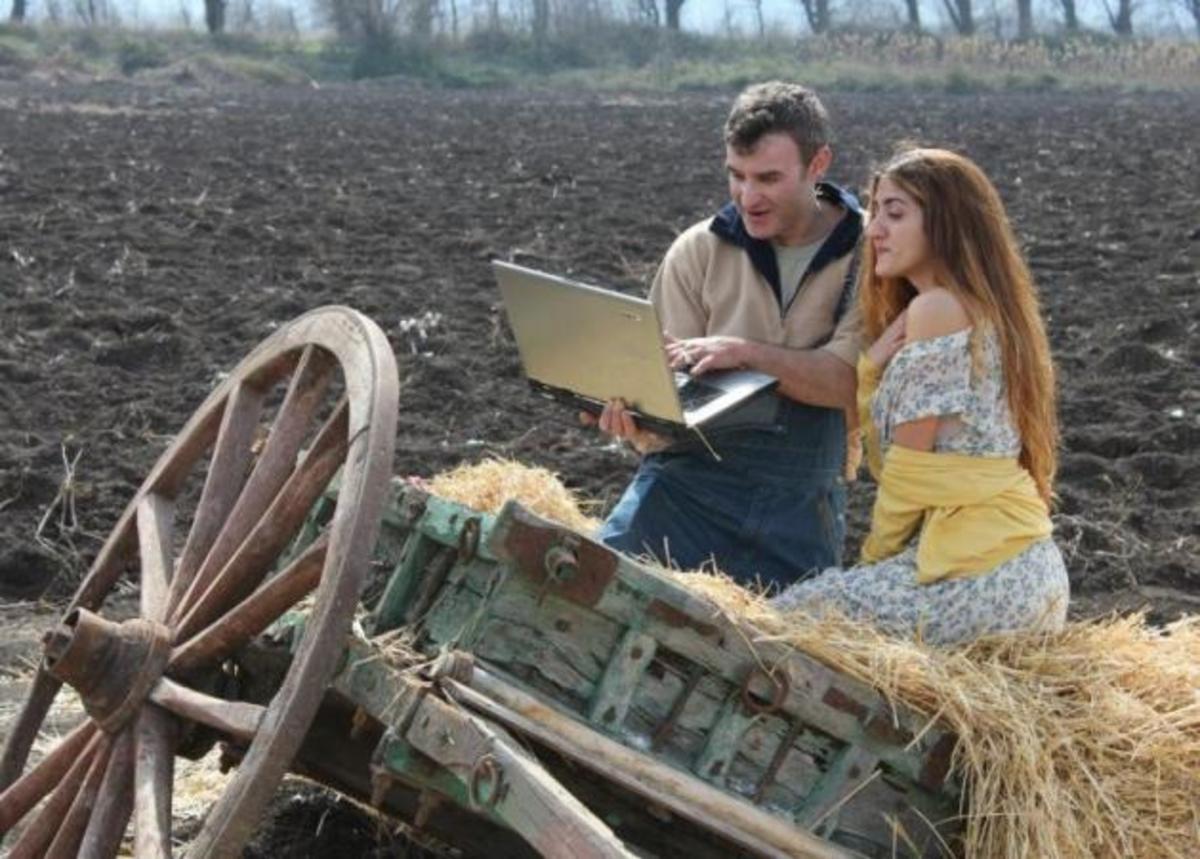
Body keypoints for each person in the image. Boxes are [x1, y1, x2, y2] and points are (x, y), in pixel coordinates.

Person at [770, 147, 1069, 645]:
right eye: (876, 213)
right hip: (1019, 570)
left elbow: (906, 476)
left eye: (895, 213)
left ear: (947, 222)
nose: (874, 231)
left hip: (983, 579)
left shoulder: (938, 310)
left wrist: (870, 567)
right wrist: (870, 372)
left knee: (793, 618)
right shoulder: (967, 310)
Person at [589, 82, 863, 589]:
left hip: (801, 507)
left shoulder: (871, 254)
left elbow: (847, 382)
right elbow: (661, 399)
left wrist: (740, 353)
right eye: (736, 176)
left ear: (818, 163)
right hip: (684, 487)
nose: (747, 197)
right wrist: (634, 419)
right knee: (593, 590)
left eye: (768, 178)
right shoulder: (697, 249)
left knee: (781, 660)